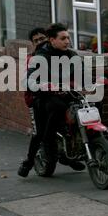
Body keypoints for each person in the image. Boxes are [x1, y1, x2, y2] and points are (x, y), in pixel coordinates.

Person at [18, 23, 85, 177]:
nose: (67, 41)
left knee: (82, 109)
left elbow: (81, 73)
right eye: (63, 38)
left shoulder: (71, 55)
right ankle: (29, 162)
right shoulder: (37, 57)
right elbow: (29, 81)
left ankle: (69, 153)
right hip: (42, 98)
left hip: (64, 95)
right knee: (41, 132)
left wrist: (95, 81)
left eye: (68, 38)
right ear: (52, 40)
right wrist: (45, 86)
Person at [17, 27, 47, 177]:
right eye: (37, 41)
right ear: (32, 44)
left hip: (57, 96)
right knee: (39, 133)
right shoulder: (31, 59)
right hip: (35, 99)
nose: (40, 42)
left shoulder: (58, 54)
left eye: (43, 38)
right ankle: (28, 162)